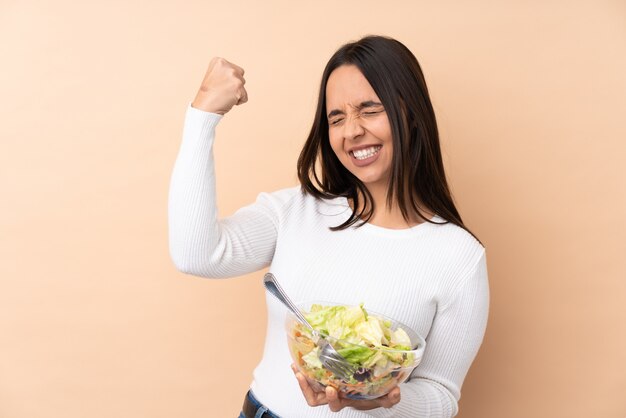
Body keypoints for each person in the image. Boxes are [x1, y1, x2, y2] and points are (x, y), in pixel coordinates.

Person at [168, 34, 489, 418]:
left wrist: (377, 401)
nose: (351, 131)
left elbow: (441, 397)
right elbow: (196, 255)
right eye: (336, 117)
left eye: (369, 110)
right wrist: (202, 115)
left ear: (411, 114)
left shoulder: (459, 256)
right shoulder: (295, 211)